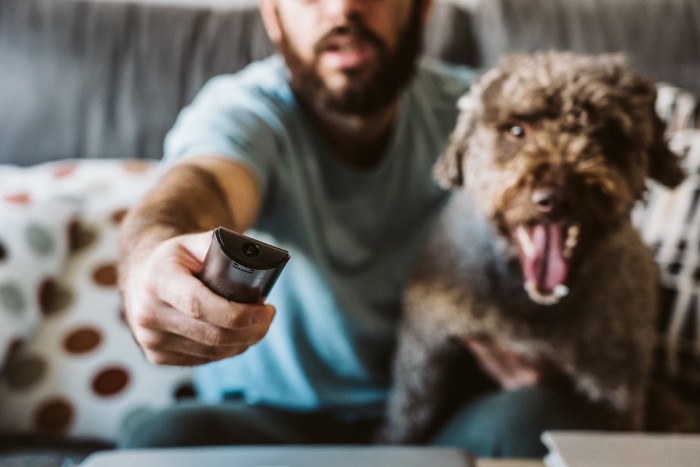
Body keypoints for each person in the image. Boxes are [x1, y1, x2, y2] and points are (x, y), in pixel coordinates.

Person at [117, 0, 607, 457]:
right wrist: (152, 256)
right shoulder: (246, 112)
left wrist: (556, 357)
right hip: (269, 420)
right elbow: (203, 185)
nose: (344, 8)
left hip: (439, 420)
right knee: (162, 439)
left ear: (421, 10)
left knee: (539, 417)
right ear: (272, 15)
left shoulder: (488, 117)